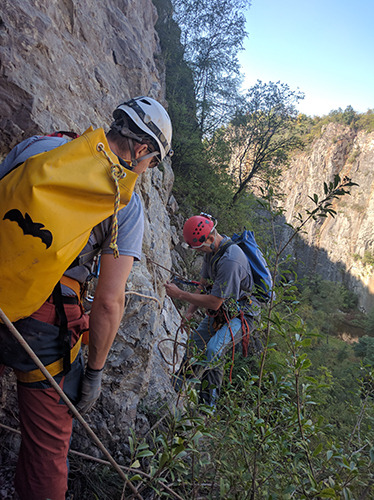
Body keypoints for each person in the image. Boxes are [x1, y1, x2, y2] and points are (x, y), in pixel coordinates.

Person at [0, 96, 173, 500]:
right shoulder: (124, 204)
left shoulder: (39, 148)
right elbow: (110, 302)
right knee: (48, 445)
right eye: (153, 163)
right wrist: (94, 373)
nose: (148, 171)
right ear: (143, 149)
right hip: (44, 323)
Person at [164, 213, 261, 407]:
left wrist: (181, 295)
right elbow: (204, 284)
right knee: (194, 344)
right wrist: (189, 312)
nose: (199, 252)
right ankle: (176, 386)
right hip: (225, 310)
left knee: (213, 350)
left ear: (209, 238)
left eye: (199, 248)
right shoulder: (212, 251)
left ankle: (207, 406)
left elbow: (215, 302)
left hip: (244, 315)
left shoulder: (230, 261)